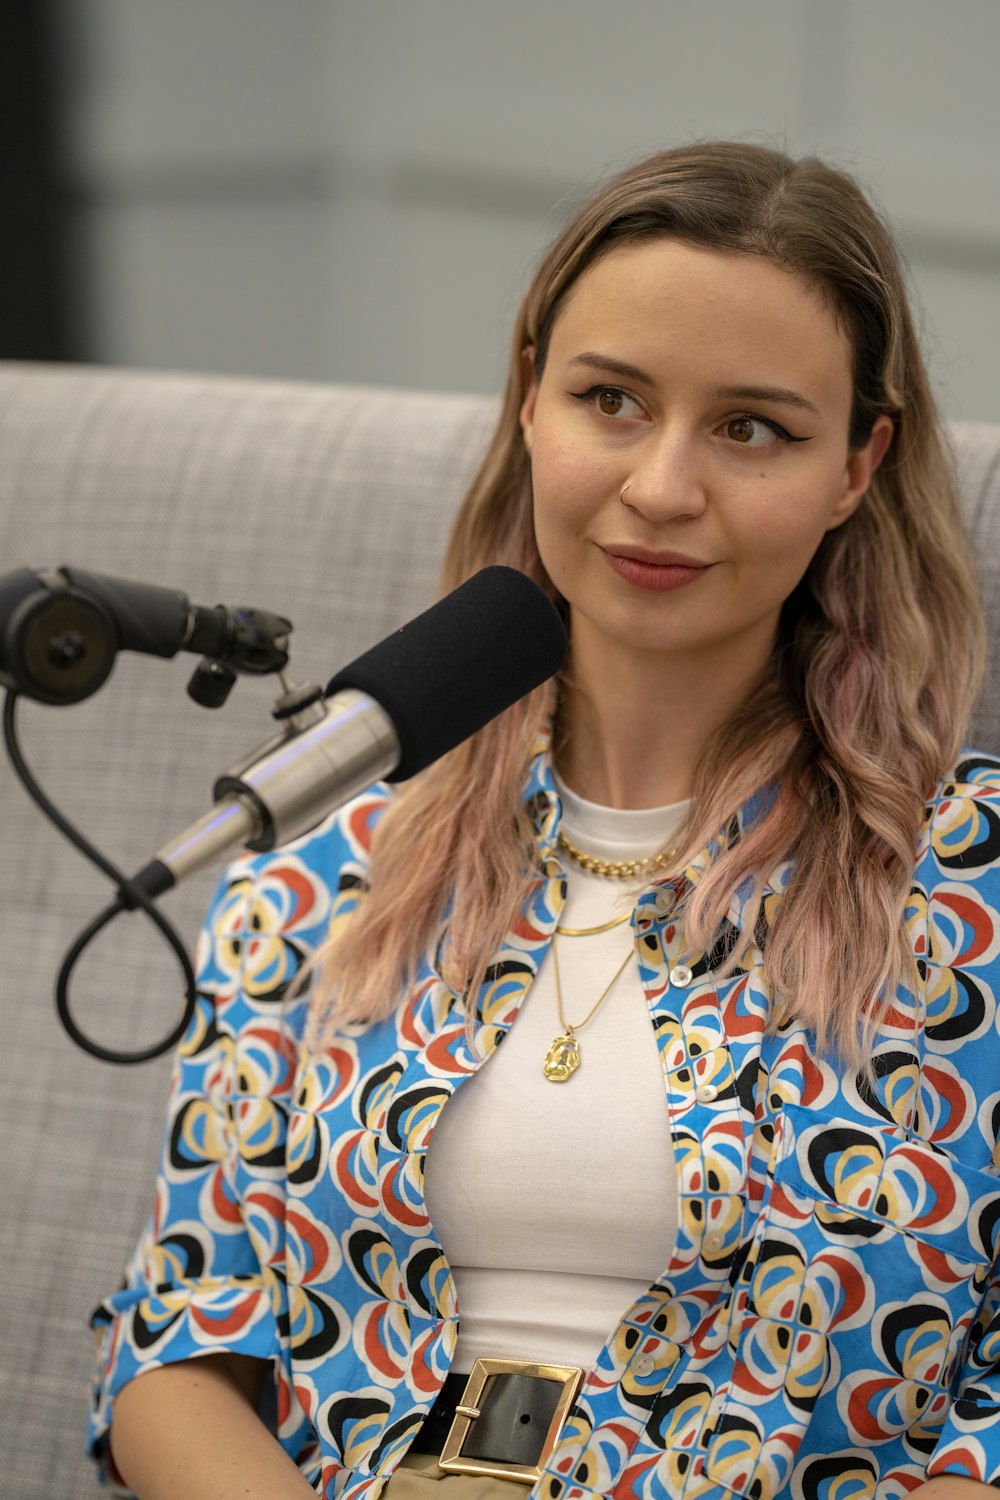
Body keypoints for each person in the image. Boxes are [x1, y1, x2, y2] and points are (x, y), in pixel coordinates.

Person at [89, 140, 1000, 1500]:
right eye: (612, 400)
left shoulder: (966, 885)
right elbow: (181, 1341)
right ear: (530, 401)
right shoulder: (323, 857)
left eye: (753, 427)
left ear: (858, 466)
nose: (663, 488)